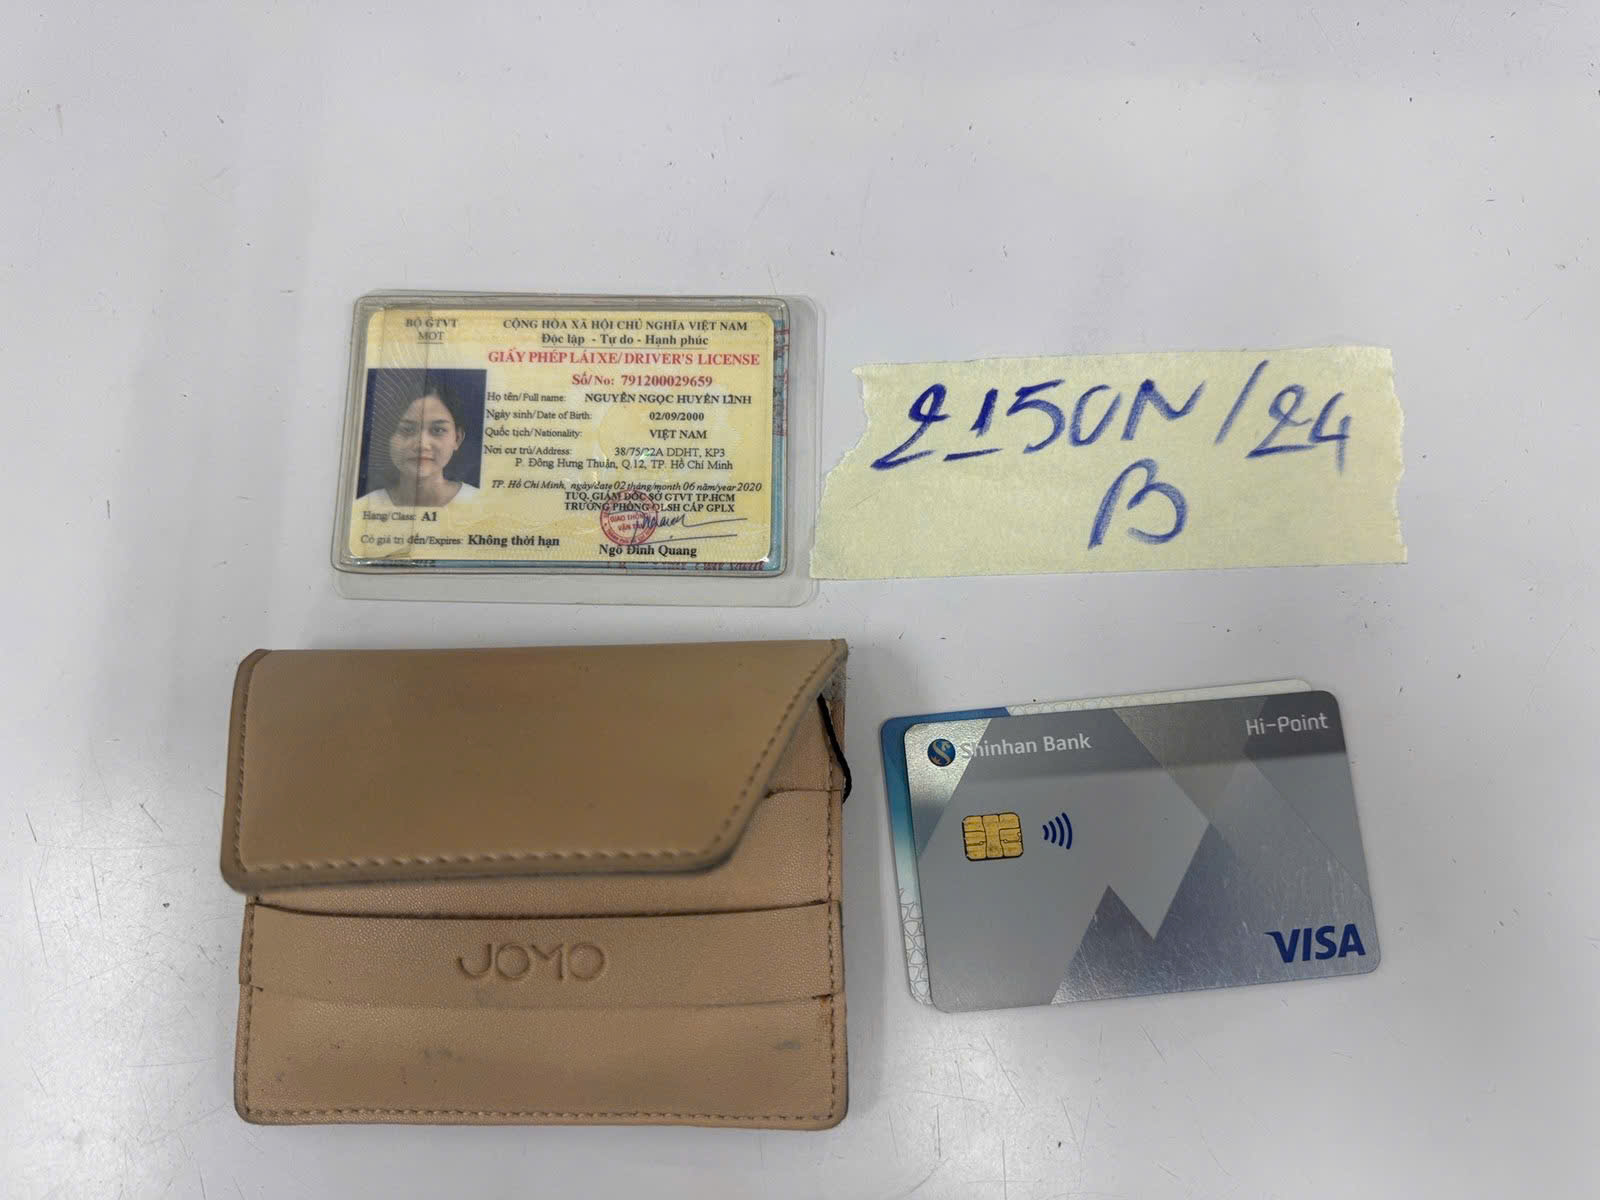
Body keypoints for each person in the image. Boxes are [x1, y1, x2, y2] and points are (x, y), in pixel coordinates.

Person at [360, 376, 479, 508]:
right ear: (388, 437)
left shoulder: (481, 504)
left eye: (438, 430)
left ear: (457, 438)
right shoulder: (364, 506)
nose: (422, 445)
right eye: (407, 430)